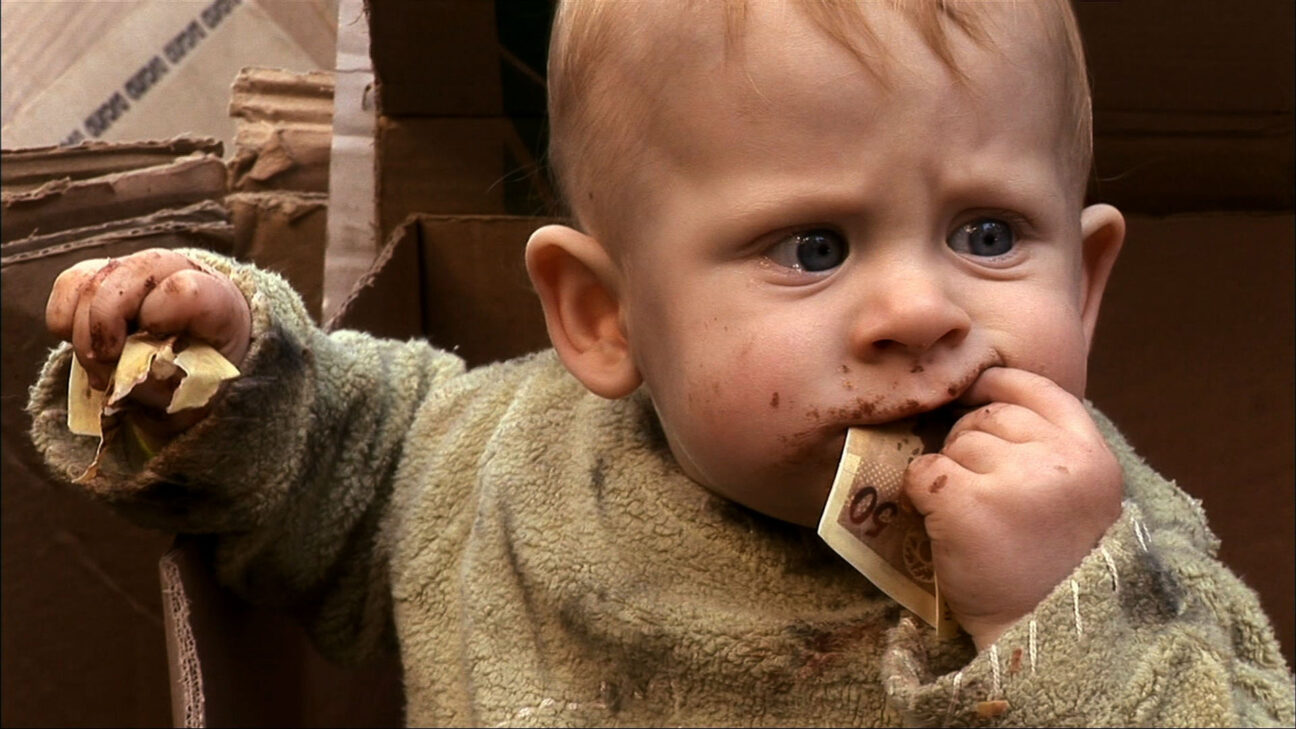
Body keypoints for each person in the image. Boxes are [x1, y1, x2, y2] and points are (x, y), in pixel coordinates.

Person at [29, 0, 1294, 725]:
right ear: (605, 317)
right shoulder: (494, 469)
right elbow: (335, 467)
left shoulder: (1112, 558)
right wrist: (216, 366)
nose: (922, 310)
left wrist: (1052, 624)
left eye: (989, 234)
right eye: (813, 247)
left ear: (1089, 280)